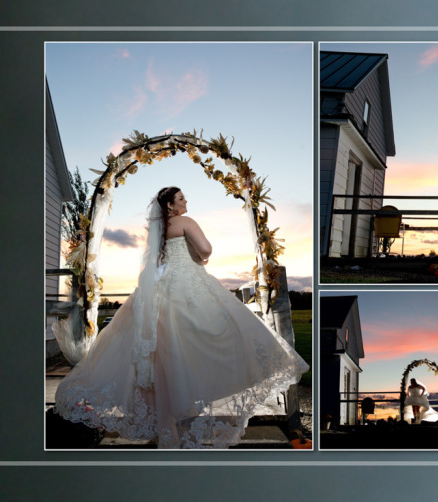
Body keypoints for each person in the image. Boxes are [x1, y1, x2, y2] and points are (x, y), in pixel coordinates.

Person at [55, 187, 309, 449]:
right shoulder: (185, 221)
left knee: (165, 354)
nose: (186, 201)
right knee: (214, 337)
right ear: (170, 206)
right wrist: (201, 257)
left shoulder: (157, 230)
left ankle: (168, 424)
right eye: (181, 198)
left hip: (160, 288)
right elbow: (206, 249)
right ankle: (191, 405)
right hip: (187, 283)